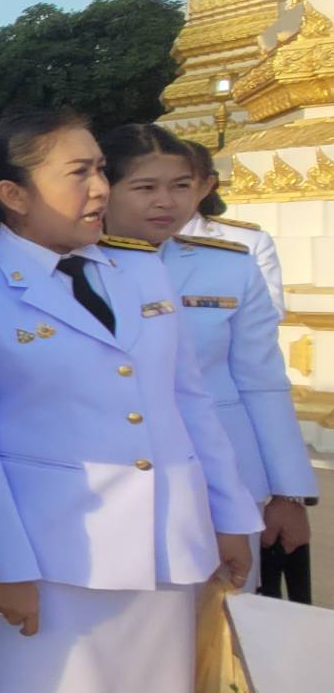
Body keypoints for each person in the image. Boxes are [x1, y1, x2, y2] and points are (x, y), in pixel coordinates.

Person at [0, 112, 261, 692]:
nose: (101, 188)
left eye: (102, 170)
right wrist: (3, 565)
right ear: (14, 194)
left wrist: (229, 517)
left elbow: (190, 403)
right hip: (52, 557)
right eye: (78, 173)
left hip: (168, 543)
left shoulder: (139, 268)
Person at [101, 124, 314, 600]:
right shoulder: (69, 270)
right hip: (117, 478)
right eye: (145, 187)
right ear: (104, 189)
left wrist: (287, 492)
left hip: (229, 481)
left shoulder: (230, 267)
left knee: (224, 637)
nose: (166, 202)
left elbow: (262, 382)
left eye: (180, 187)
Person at [183, 139, 284, 313]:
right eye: (149, 186)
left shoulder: (248, 242)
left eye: (180, 185)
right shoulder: (128, 244)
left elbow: (267, 313)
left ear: (207, 185)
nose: (164, 195)